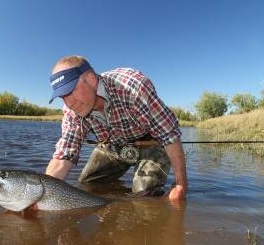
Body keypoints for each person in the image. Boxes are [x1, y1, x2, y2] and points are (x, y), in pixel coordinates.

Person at [45, 55, 187, 201]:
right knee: (87, 185)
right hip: (114, 145)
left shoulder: (133, 87)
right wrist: (43, 195)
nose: (69, 103)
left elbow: (170, 136)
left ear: (91, 79)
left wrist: (181, 185)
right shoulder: (72, 112)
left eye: (71, 91)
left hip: (152, 143)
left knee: (143, 196)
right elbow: (64, 156)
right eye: (63, 97)